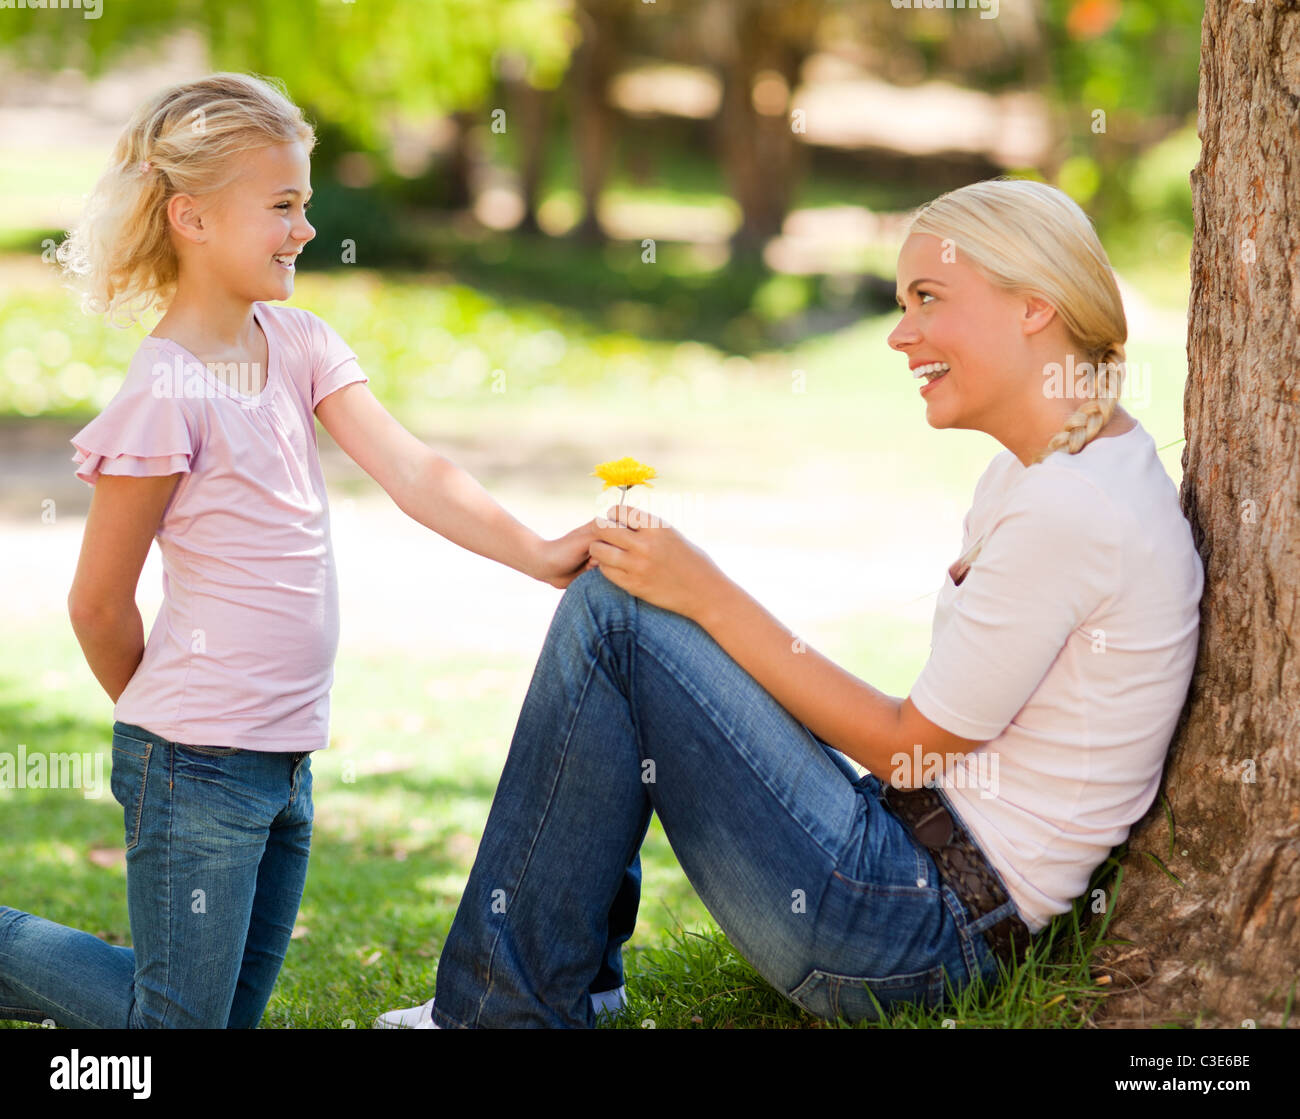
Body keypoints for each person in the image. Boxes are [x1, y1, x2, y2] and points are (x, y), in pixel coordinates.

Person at [375, 177, 1204, 1028]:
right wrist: (697, 618)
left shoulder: (1074, 508)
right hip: (913, 874)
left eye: (928, 298)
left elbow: (905, 750)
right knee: (626, 614)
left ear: (1034, 307)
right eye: (900, 302)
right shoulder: (1062, 473)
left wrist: (705, 594)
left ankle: (496, 1013)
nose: (900, 333)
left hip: (915, 934)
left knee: (618, 619)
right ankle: (566, 979)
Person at [0, 71, 596, 1029]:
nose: (305, 228)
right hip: (195, 763)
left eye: (305, 204)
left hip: (284, 762)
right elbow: (98, 604)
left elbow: (416, 471)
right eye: (281, 206)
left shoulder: (304, 343)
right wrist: (176, 738)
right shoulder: (164, 394)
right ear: (190, 219)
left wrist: (541, 552)